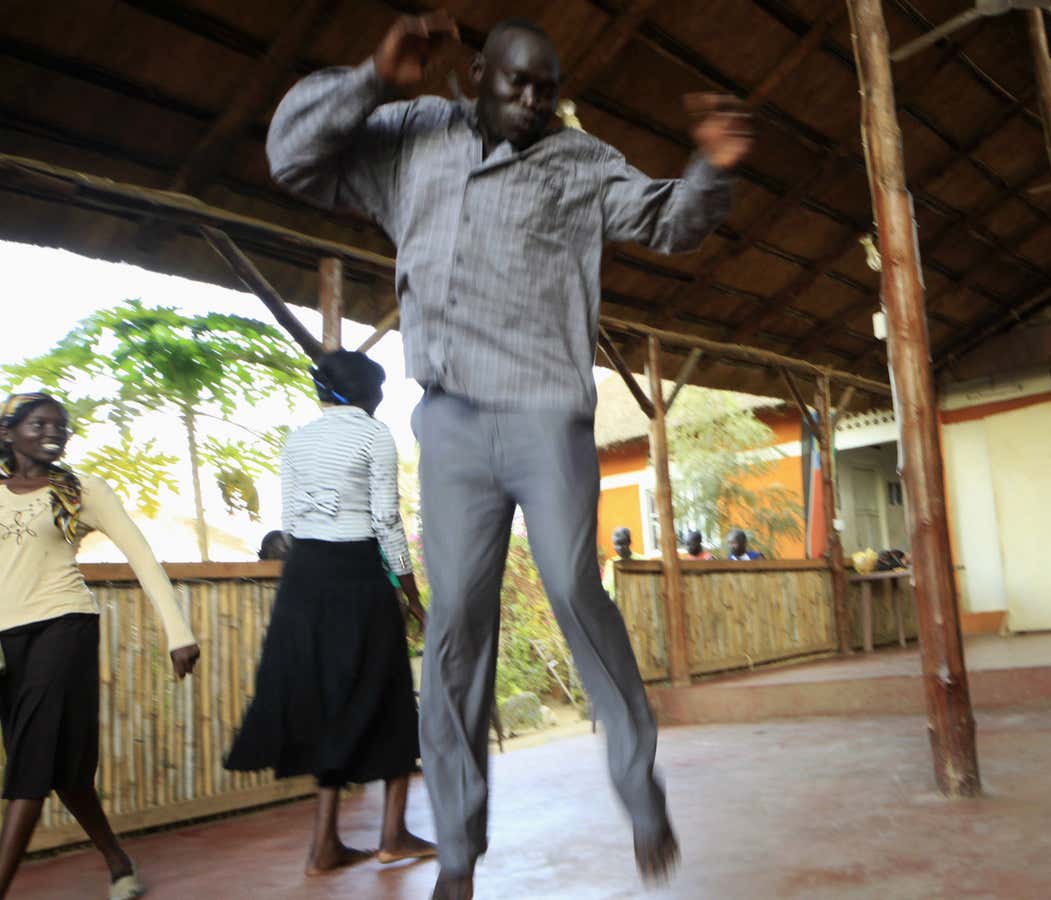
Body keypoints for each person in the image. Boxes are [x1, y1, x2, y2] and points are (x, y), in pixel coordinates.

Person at [266, 12, 751, 895]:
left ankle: (638, 786)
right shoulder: (414, 138)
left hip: (543, 416)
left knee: (570, 583)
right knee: (455, 630)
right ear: (476, 74)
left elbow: (670, 222)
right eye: (516, 83)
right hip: (450, 423)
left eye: (547, 91)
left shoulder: (580, 161)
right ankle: (457, 853)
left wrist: (708, 168)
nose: (532, 102)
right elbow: (293, 157)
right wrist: (374, 77)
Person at [224, 351, 434, 876]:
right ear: (366, 393)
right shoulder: (373, 434)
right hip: (356, 573)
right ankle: (392, 835)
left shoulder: (297, 439)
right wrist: (411, 594)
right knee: (387, 697)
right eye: (379, 389)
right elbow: (386, 520)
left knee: (328, 703)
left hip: (304, 579)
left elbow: (291, 520)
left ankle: (324, 845)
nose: (381, 398)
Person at [0, 393, 201, 900]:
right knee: (65, 770)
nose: (53, 432)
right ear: (8, 433)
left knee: (29, 760)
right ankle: (117, 859)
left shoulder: (82, 490)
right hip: (7, 640)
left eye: (60, 427)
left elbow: (142, 558)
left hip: (63, 627)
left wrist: (178, 633)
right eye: (39, 423)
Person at [601, 525, 633, 596]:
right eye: (616, 544)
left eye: (622, 543)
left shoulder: (641, 562)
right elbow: (606, 587)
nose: (619, 548)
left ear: (629, 542)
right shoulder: (610, 563)